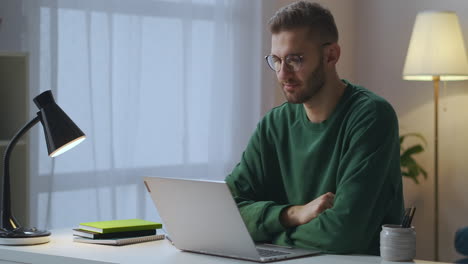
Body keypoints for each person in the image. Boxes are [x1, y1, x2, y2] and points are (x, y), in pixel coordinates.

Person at [225, 1, 404, 255]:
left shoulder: (371, 117)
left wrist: (270, 233)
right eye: (276, 60)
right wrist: (292, 214)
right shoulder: (274, 124)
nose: (282, 74)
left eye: (295, 60)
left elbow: (343, 234)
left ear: (331, 55)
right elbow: (226, 212)